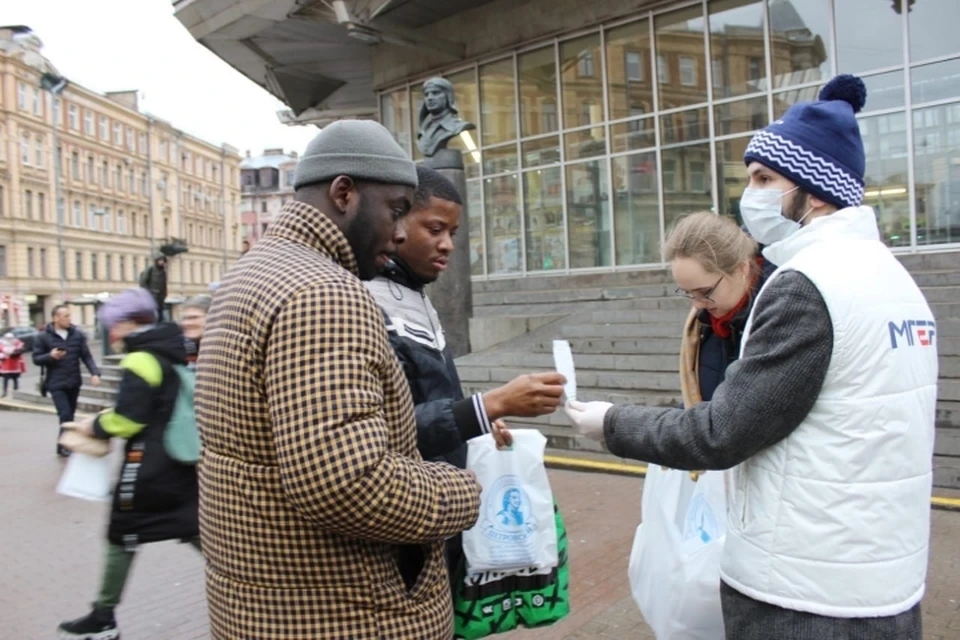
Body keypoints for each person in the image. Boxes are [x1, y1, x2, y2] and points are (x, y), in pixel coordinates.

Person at [565, 74, 937, 639]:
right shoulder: (895, 281)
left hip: (805, 593)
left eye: (765, 178)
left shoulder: (809, 285)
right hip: (881, 578)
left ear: (814, 190)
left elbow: (721, 433)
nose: (751, 194)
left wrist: (609, 423)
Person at [195, 121, 482, 639]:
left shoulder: (252, 271)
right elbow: (348, 482)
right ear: (343, 193)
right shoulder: (325, 292)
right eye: (396, 210)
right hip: (346, 612)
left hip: (268, 605)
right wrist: (460, 492)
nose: (400, 232)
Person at [365, 164, 566, 586]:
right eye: (435, 228)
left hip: (439, 517)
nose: (447, 245)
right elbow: (384, 430)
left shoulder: (417, 294)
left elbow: (429, 394)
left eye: (453, 234)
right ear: (397, 219)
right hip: (406, 531)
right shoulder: (365, 300)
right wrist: (486, 404)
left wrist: (480, 421)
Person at [56, 287, 200, 640]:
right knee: (196, 528)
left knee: (122, 532)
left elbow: (131, 418)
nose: (112, 335)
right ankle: (261, 582)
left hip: (147, 468)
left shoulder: (139, 359)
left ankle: (103, 617)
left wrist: (95, 425)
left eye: (113, 326)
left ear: (126, 323)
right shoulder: (169, 350)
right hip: (176, 461)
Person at [666, 212, 775, 409]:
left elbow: (734, 419)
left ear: (741, 268)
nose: (697, 305)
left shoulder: (779, 316)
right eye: (688, 293)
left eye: (705, 292)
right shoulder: (705, 326)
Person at [33, 305, 101, 457]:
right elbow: (36, 359)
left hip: (74, 381)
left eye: (69, 316)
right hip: (56, 383)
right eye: (65, 316)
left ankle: (62, 444)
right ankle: (65, 446)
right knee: (65, 414)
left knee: (70, 414)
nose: (69, 319)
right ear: (56, 318)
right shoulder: (43, 337)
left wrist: (94, 373)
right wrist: (50, 356)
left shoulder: (77, 335)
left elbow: (86, 356)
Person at [416, 76, 476, 157]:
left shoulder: (458, 127)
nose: (429, 98)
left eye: (435, 93)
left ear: (448, 96)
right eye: (426, 94)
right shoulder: (424, 131)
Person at [178, 295, 211, 369]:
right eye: (184, 318)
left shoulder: (225, 349)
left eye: (194, 317)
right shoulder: (178, 348)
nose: (186, 323)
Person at [138, 253, 168, 319]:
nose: (161, 262)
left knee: (161, 315)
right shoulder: (151, 269)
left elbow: (164, 284)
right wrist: (149, 293)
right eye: (160, 260)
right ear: (156, 261)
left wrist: (164, 294)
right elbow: (143, 282)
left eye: (163, 260)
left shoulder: (163, 272)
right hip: (152, 295)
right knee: (154, 315)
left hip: (160, 297)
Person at [0, 331, 26, 397]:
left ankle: (16, 392)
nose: (9, 339)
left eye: (10, 338)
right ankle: (4, 392)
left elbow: (20, 350)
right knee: (5, 379)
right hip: (5, 365)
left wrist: (16, 353)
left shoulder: (17, 343)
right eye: (7, 338)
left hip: (15, 365)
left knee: (15, 379)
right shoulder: (2, 344)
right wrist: (2, 355)